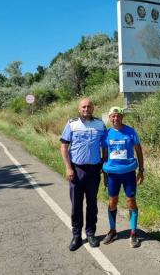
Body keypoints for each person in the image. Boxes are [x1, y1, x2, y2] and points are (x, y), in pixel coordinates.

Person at [60, 97, 106, 251]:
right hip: (77, 170)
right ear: (79, 109)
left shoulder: (100, 124)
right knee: (76, 205)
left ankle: (91, 233)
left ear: (93, 108)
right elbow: (64, 147)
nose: (86, 109)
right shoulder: (72, 124)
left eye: (89, 107)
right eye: (83, 107)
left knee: (92, 204)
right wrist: (68, 168)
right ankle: (76, 236)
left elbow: (105, 146)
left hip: (94, 170)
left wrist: (103, 164)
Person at [102, 106, 144, 248]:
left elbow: (138, 150)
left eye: (118, 116)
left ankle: (133, 233)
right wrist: (105, 175)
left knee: (131, 202)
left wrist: (141, 170)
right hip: (113, 174)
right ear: (109, 118)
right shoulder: (106, 134)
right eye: (113, 116)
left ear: (122, 117)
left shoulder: (130, 132)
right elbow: (105, 156)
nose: (116, 118)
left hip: (128, 174)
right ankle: (113, 230)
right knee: (112, 202)